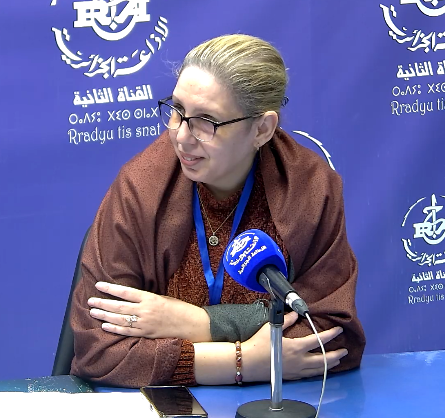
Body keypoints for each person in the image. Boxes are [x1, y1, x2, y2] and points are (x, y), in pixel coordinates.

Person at [70, 34, 366, 388]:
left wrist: (196, 322)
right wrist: (245, 363)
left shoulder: (311, 188)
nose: (181, 136)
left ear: (262, 129)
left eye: (206, 121)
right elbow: (99, 349)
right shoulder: (140, 187)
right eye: (177, 110)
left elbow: (332, 333)